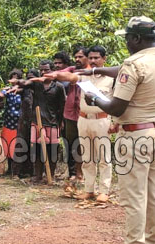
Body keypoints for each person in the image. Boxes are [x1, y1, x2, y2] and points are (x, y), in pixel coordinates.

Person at [82, 16, 155, 244]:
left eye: (127, 38)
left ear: (135, 38)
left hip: (135, 137)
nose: (126, 43)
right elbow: (124, 73)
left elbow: (116, 106)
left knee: (134, 196)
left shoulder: (133, 65)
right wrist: (97, 70)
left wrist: (94, 97)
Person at [45, 45, 115, 202]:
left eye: (97, 58)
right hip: (83, 120)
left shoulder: (111, 79)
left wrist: (116, 122)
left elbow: (117, 101)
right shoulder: (84, 75)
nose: (93, 61)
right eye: (91, 58)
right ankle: (89, 190)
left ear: (104, 59)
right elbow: (70, 78)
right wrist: (55, 75)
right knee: (87, 157)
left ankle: (104, 190)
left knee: (104, 157)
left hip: (102, 120)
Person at [16, 60, 65, 183]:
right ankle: (38, 175)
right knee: (37, 149)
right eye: (41, 70)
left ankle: (50, 175)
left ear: (52, 71)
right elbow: (24, 83)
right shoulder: (36, 85)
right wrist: (19, 82)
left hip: (52, 122)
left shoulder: (58, 87)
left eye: (46, 70)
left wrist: (61, 121)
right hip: (37, 122)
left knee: (52, 150)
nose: (43, 72)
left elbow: (62, 105)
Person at [61, 46, 90, 181]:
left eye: (81, 56)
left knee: (86, 144)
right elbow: (60, 73)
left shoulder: (92, 72)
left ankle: (87, 173)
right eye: (76, 57)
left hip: (86, 113)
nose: (77, 59)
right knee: (73, 144)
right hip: (70, 113)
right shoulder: (72, 70)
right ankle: (77, 172)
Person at [1, 69, 23, 175]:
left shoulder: (23, 90)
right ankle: (9, 168)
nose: (15, 80)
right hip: (8, 122)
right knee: (7, 146)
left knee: (17, 146)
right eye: (13, 77)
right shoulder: (6, 90)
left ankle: (17, 170)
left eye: (17, 77)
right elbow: (1, 95)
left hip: (18, 123)